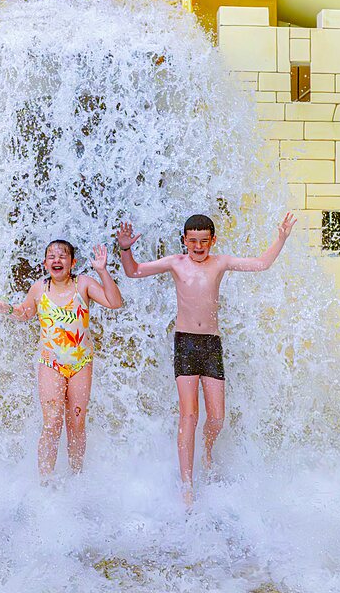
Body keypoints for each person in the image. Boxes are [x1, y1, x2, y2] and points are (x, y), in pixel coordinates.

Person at [116, 212, 296, 505]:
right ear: (184, 240)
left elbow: (261, 264)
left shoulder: (220, 262)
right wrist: (126, 249)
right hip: (185, 342)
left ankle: (208, 449)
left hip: (211, 343)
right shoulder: (176, 262)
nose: (198, 247)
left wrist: (281, 238)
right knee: (189, 415)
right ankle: (187, 483)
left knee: (216, 416)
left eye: (204, 241)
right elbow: (133, 271)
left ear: (213, 240)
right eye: (192, 241)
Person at [0, 240, 124, 478]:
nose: (57, 260)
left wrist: (102, 271)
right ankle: (45, 483)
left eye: (62, 256)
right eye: (51, 256)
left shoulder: (84, 284)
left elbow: (115, 302)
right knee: (51, 425)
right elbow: (24, 313)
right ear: (45, 263)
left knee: (77, 425)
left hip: (80, 363)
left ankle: (76, 477)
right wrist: (5, 308)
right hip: (50, 363)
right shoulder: (39, 289)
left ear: (72, 262)